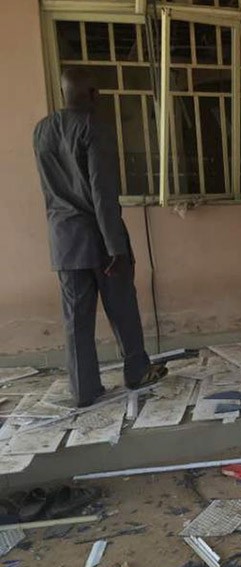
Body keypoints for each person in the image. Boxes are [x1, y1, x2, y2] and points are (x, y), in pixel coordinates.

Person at [33, 68, 167, 408]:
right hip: (99, 238)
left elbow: (52, 190)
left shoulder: (42, 131)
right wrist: (115, 248)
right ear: (92, 94)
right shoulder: (95, 127)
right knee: (122, 307)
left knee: (76, 320)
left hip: (64, 241)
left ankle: (84, 390)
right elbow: (102, 193)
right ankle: (137, 370)